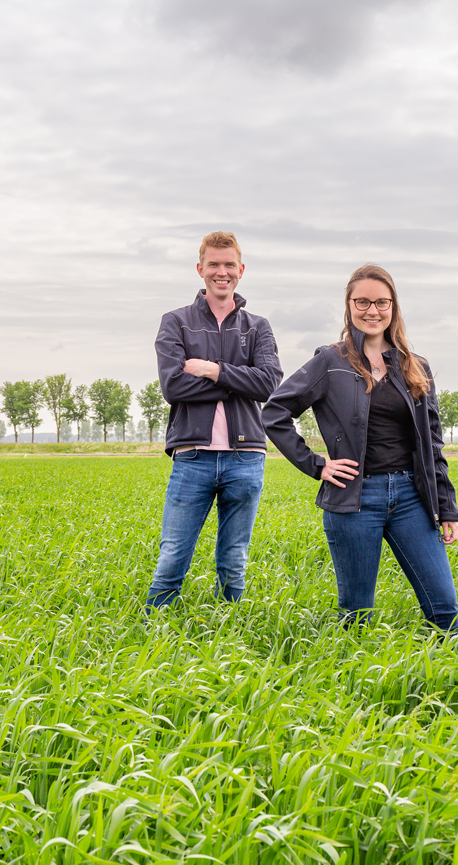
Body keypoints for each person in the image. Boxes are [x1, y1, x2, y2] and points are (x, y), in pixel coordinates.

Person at [264, 264, 458, 632]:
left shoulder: (416, 367)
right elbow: (274, 413)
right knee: (356, 616)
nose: (373, 311)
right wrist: (318, 465)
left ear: (393, 307)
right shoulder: (330, 361)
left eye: (381, 302)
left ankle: (444, 668)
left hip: (411, 498)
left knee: (444, 610)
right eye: (363, 302)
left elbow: (433, 443)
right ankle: (351, 668)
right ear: (349, 306)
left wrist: (446, 507)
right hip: (355, 499)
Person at [146, 231, 283, 609]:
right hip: (193, 455)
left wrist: (211, 370)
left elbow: (269, 383)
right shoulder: (175, 322)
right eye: (213, 265)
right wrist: (238, 381)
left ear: (241, 269)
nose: (221, 272)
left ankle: (231, 627)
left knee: (234, 557)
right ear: (200, 269)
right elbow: (173, 386)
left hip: (247, 456)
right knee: (173, 553)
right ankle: (153, 625)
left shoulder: (258, 326)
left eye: (229, 265)